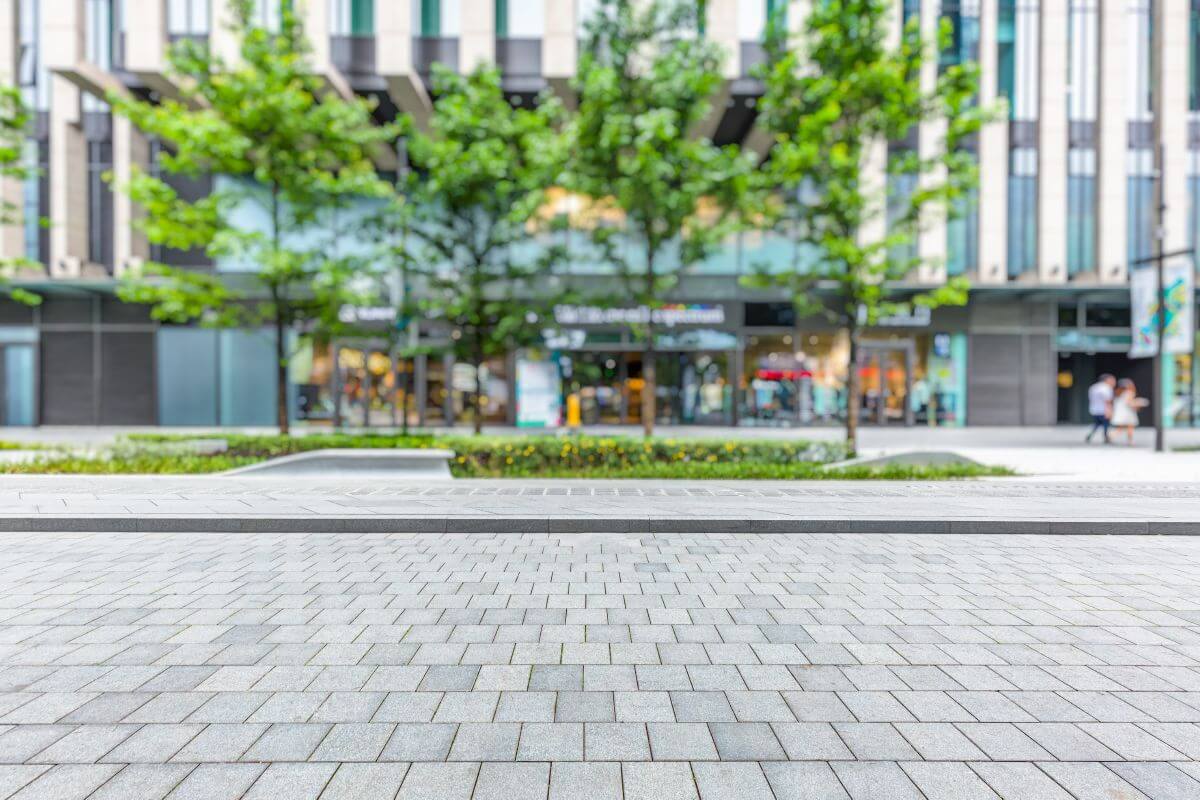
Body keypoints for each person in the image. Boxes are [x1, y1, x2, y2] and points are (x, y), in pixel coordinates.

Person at [1111, 378, 1148, 446]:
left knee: (1120, 428)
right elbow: (1129, 403)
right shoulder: (1129, 392)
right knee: (1130, 427)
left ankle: (1111, 436)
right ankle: (1130, 441)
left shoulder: (1118, 393)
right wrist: (1139, 403)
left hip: (1120, 412)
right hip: (1128, 412)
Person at [1085, 373, 1116, 443]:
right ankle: (1106, 437)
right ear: (1107, 380)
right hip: (1104, 409)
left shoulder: (1093, 387)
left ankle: (1090, 435)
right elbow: (1107, 401)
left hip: (1094, 409)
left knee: (1097, 423)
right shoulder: (1107, 388)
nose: (1113, 382)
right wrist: (1109, 410)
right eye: (1112, 380)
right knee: (1105, 424)